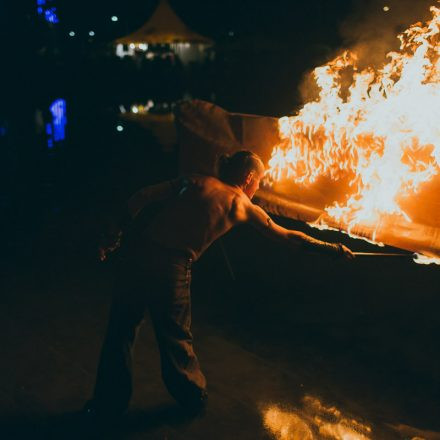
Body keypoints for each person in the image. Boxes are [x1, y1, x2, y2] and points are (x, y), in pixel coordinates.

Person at [84, 150, 354, 420]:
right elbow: (289, 238)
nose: (258, 187)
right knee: (176, 338)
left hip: (139, 256)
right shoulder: (241, 204)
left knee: (120, 332)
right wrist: (332, 248)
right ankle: (193, 397)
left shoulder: (195, 180)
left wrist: (115, 232)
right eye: (259, 181)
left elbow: (141, 196)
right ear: (249, 177)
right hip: (172, 268)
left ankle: (107, 404)